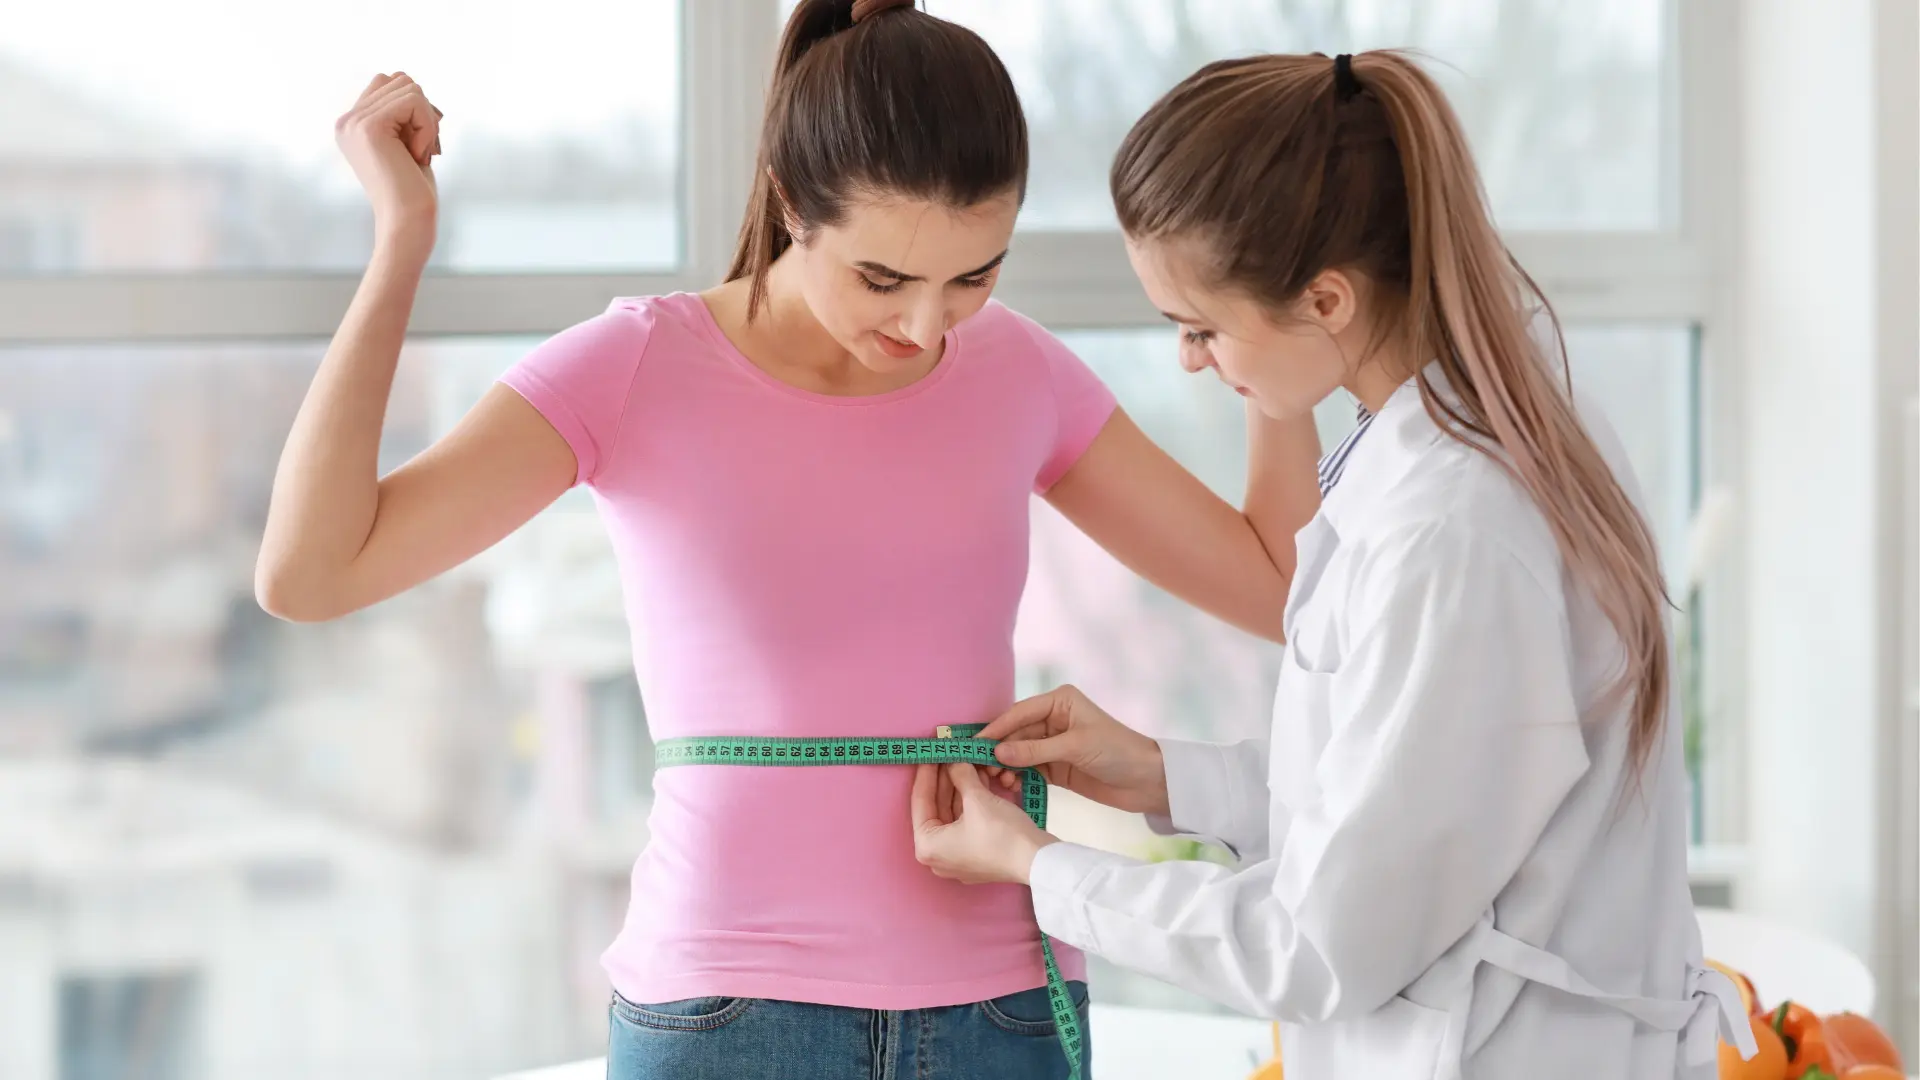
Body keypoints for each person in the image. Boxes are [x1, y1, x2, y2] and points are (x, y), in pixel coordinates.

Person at [254, 2, 1326, 1077]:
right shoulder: (635, 371)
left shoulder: (1018, 372)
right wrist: (402, 244)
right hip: (729, 1012)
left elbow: (1283, 585)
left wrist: (1269, 314)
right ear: (788, 203)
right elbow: (312, 570)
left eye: (974, 275)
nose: (924, 329)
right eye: (882, 278)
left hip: (1001, 1007)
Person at [909, 50, 1759, 1079]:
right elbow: (1424, 805)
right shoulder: (1496, 416)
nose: (1188, 360)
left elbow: (1319, 941)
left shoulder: (1453, 528)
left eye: (1200, 328)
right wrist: (1165, 776)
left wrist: (1039, 869)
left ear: (1325, 302)